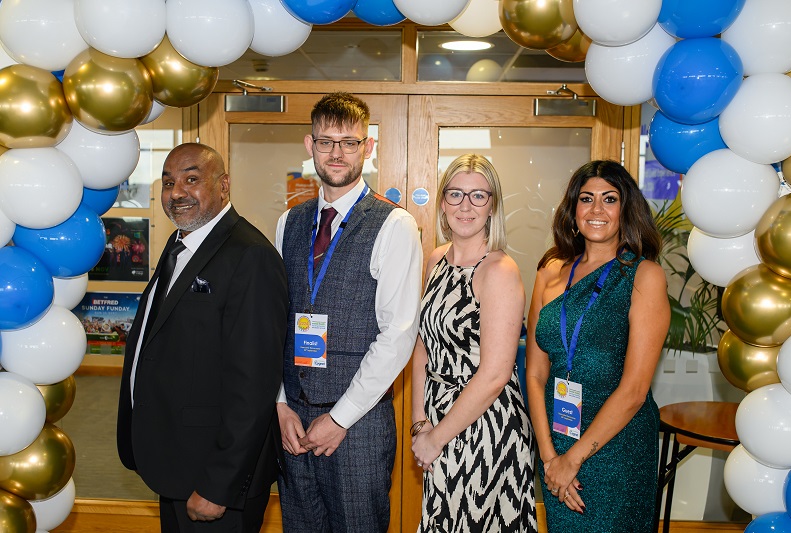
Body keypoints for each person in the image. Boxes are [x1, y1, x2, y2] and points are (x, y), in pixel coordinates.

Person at [117, 143, 288, 532]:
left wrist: (219, 485)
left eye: (191, 179)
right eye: (168, 182)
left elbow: (254, 386)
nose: (177, 193)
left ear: (224, 185)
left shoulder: (250, 256)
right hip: (177, 465)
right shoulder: (181, 245)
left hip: (214, 481)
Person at [275, 92, 423, 532]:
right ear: (309, 146)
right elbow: (274, 323)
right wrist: (279, 404)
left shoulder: (394, 225)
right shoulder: (289, 222)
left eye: (349, 142)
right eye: (326, 142)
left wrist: (339, 418)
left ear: (369, 148)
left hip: (356, 425)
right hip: (292, 424)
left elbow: (397, 335)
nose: (336, 153)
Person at [526, 160, 670, 532]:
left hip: (617, 445)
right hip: (557, 439)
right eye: (586, 198)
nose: (596, 209)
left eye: (609, 199)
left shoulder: (644, 276)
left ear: (626, 210)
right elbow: (536, 373)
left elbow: (635, 390)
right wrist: (549, 456)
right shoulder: (550, 271)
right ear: (573, 210)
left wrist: (572, 460)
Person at [411, 154, 537, 532]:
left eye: (478, 196)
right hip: (437, 417)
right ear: (443, 202)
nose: (465, 206)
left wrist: (436, 437)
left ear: (492, 206)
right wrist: (420, 422)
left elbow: (496, 374)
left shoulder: (499, 271)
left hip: (485, 427)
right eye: (455, 194)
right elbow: (422, 346)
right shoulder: (436, 259)